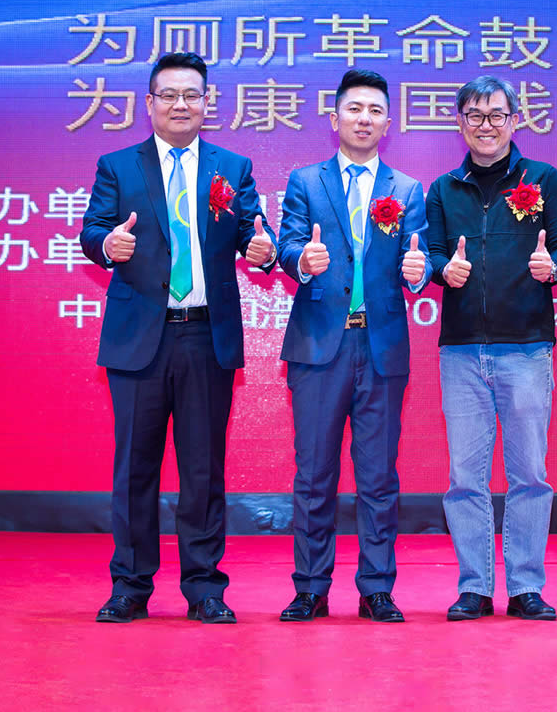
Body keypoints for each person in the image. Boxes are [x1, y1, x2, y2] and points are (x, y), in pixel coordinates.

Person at [79, 52, 277, 624]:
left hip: (205, 337)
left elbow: (253, 232)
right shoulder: (118, 166)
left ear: (207, 103)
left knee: (203, 470)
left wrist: (262, 251)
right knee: (135, 469)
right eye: (169, 94)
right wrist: (106, 244)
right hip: (139, 339)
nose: (181, 104)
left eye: (192, 94)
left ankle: (205, 588)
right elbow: (93, 230)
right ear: (150, 103)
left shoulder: (232, 167)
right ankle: (130, 586)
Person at [274, 69, 428, 623]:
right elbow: (288, 244)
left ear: (388, 123)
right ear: (334, 117)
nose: (364, 119)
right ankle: (310, 588)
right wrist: (301, 259)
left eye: (375, 111)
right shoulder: (305, 182)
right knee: (314, 474)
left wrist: (419, 272)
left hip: (381, 348)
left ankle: (376, 588)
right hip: (319, 346)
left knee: (378, 476)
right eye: (354, 109)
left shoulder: (407, 189)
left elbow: (420, 256)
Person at [423, 75, 557, 621]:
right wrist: (444, 269)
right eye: (474, 115)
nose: (485, 126)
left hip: (527, 347)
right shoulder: (443, 188)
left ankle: (527, 586)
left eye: (496, 115)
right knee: (465, 478)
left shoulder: (544, 179)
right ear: (460, 122)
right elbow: (432, 253)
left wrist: (552, 266)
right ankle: (475, 587)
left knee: (529, 474)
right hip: (462, 350)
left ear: (515, 120)